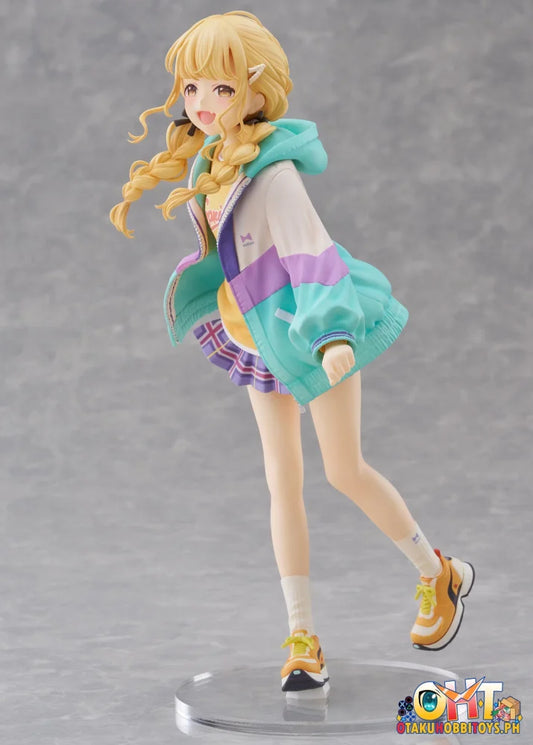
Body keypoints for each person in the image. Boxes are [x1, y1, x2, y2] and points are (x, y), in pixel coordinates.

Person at [110, 11, 475, 697]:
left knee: (344, 469)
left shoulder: (273, 176)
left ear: (257, 90)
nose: (202, 103)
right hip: (258, 336)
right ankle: (302, 638)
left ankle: (438, 573)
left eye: (221, 88)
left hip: (311, 330)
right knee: (282, 482)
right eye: (192, 87)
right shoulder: (212, 163)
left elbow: (312, 255)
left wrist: (331, 336)